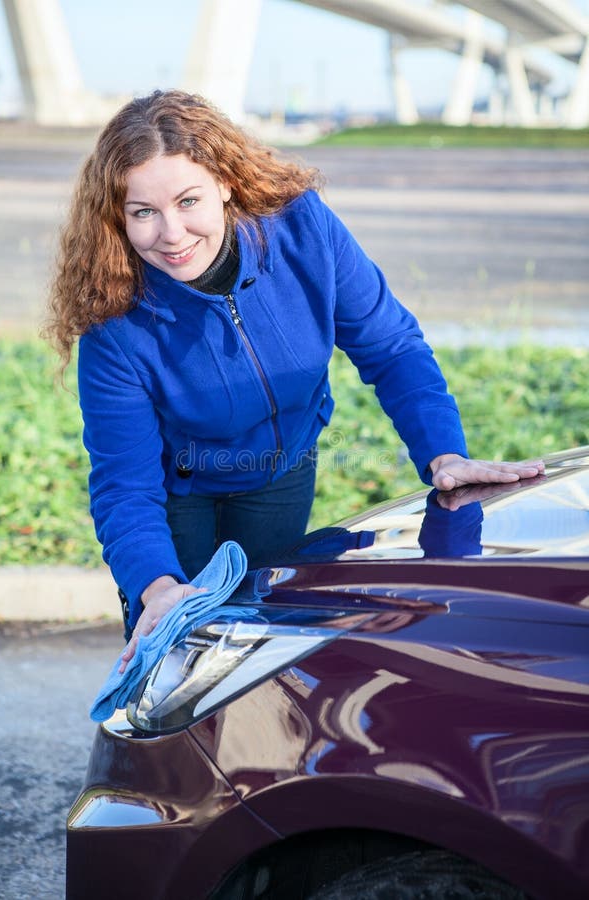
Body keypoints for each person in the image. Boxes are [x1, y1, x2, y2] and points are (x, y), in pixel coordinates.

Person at [45, 89, 543, 666]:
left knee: (259, 646)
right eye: (143, 213)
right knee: (181, 654)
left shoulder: (303, 229)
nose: (172, 233)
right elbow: (125, 487)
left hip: (282, 471)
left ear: (225, 183)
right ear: (118, 217)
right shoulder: (114, 322)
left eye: (187, 201)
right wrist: (155, 587)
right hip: (173, 494)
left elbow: (391, 347)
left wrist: (444, 455)